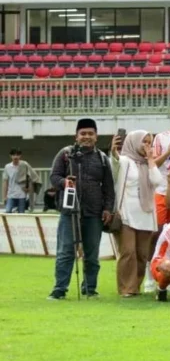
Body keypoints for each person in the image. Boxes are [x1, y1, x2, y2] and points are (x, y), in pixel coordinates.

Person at [48, 118, 115, 300]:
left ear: (96, 136)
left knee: (92, 255)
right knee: (65, 252)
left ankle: (90, 289)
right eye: (83, 133)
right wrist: (64, 182)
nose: (87, 137)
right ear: (76, 136)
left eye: (90, 133)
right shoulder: (66, 154)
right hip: (69, 212)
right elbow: (54, 176)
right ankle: (59, 289)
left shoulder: (102, 158)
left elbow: (109, 187)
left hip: (94, 213)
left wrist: (108, 208)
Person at [110, 130, 162, 297]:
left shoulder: (148, 164)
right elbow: (114, 165)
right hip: (126, 213)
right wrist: (113, 151)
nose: (147, 145)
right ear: (134, 142)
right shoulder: (125, 160)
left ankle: (135, 287)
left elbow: (157, 181)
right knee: (128, 252)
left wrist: (151, 159)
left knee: (142, 253)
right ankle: (126, 288)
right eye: (143, 142)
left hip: (146, 214)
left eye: (149, 142)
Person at [4, 149, 33, 213]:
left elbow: (31, 177)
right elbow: (5, 182)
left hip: (22, 194)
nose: (15, 157)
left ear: (20, 156)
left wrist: (28, 188)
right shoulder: (7, 167)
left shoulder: (24, 165)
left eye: (17, 155)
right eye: (13, 155)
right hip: (11, 194)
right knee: (8, 211)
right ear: (10, 156)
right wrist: (5, 196)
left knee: (21, 213)